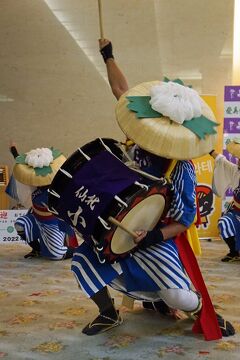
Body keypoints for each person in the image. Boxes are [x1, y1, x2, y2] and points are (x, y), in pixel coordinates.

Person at [70, 39, 235, 340]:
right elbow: (121, 92)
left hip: (156, 240)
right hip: (116, 229)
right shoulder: (134, 144)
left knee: (177, 297)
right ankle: (108, 312)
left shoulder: (180, 169)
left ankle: (203, 309)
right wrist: (108, 55)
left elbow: (184, 221)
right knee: (82, 261)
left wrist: (152, 237)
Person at [8, 142, 78, 260]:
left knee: (56, 255)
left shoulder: (56, 189)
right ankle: (37, 249)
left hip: (52, 223)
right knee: (20, 225)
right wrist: (14, 150)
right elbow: (22, 167)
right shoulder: (34, 182)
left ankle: (76, 251)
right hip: (35, 216)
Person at [209, 141, 240, 262]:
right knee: (224, 222)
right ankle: (234, 252)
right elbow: (221, 160)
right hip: (236, 212)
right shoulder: (235, 170)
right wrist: (209, 150)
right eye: (238, 158)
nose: (238, 161)